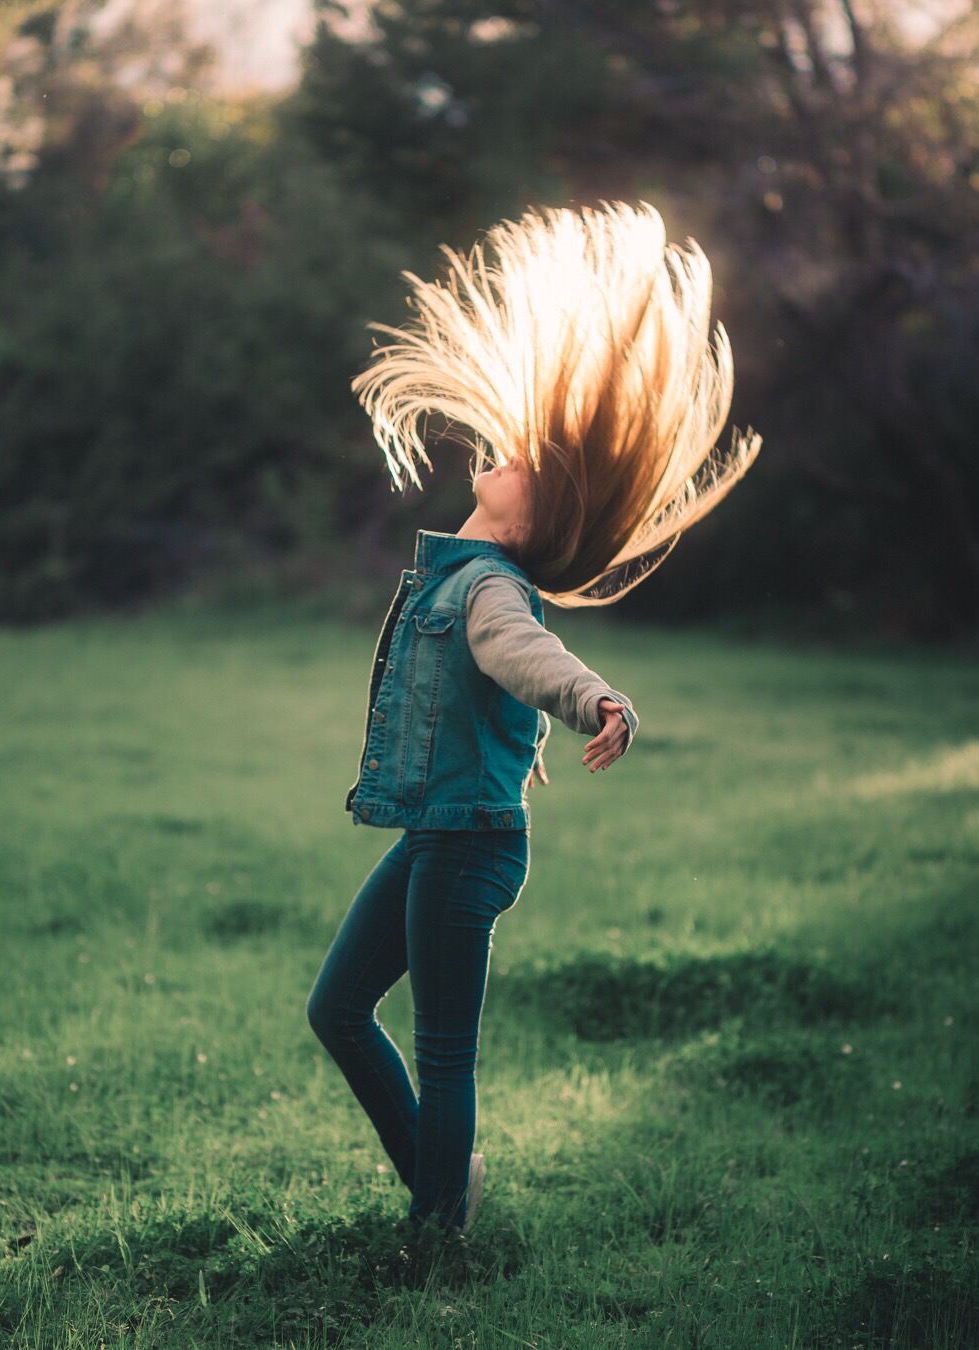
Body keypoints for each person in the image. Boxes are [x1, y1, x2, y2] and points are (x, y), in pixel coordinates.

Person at [306, 201, 760, 1236]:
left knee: (443, 1052)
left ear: (534, 516)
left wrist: (596, 697)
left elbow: (528, 656)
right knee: (336, 1009)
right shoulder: (460, 573)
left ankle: (436, 1239)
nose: (500, 453)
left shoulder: (490, 593)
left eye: (522, 462)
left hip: (467, 850)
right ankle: (442, 1186)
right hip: (441, 837)